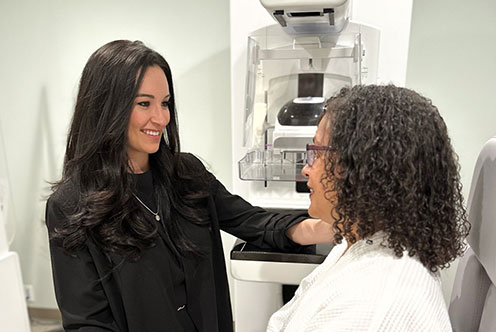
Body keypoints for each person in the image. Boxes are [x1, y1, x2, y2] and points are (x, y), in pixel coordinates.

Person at [45, 40, 331, 332]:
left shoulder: (186, 175)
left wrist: (323, 227)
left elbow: (253, 221)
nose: (161, 117)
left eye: (165, 102)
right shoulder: (70, 206)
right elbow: (87, 322)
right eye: (144, 103)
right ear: (107, 107)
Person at [266, 85, 470, 332]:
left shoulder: (371, 302)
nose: (306, 169)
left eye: (318, 154)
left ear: (363, 170)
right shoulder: (357, 243)